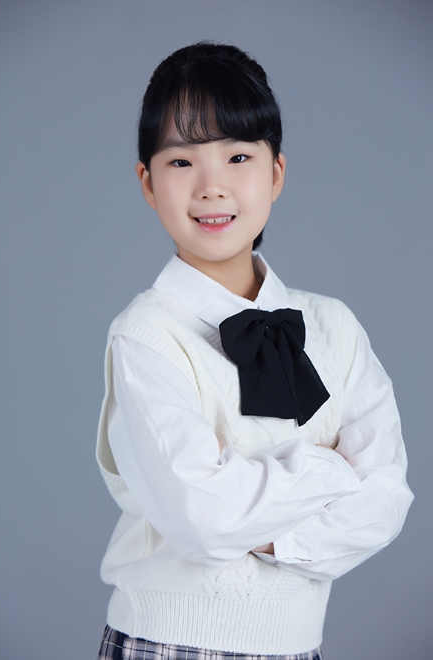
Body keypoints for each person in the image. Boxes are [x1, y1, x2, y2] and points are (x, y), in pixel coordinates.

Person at [96, 42, 413, 660]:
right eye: (182, 161)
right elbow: (202, 519)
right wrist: (329, 471)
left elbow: (385, 503)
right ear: (148, 183)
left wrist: (260, 528)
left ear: (276, 173)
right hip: (168, 644)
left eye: (238, 156)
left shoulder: (334, 327)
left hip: (299, 647)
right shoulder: (147, 335)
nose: (212, 187)